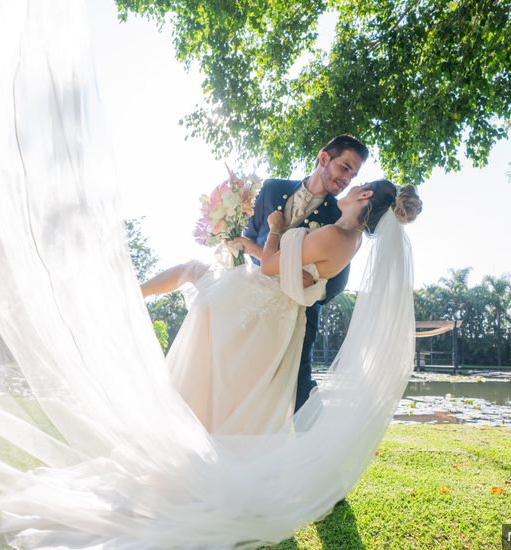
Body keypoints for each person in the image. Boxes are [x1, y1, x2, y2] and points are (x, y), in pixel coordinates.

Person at [142, 179, 421, 434]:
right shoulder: (352, 239)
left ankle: (133, 294)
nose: (353, 184)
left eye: (359, 182)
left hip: (262, 305)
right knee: (231, 384)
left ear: (366, 194)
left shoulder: (335, 235)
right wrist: (250, 247)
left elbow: (268, 265)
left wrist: (276, 227)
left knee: (192, 275)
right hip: (277, 315)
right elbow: (290, 269)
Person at [238, 135, 369, 412]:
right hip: (251, 305)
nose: (347, 179)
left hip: (298, 315)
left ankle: (313, 450)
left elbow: (337, 283)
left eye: (354, 174)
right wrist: (285, 271)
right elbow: (249, 237)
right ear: (324, 158)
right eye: (344, 168)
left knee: (298, 390)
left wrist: (315, 282)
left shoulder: (340, 215)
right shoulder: (273, 188)